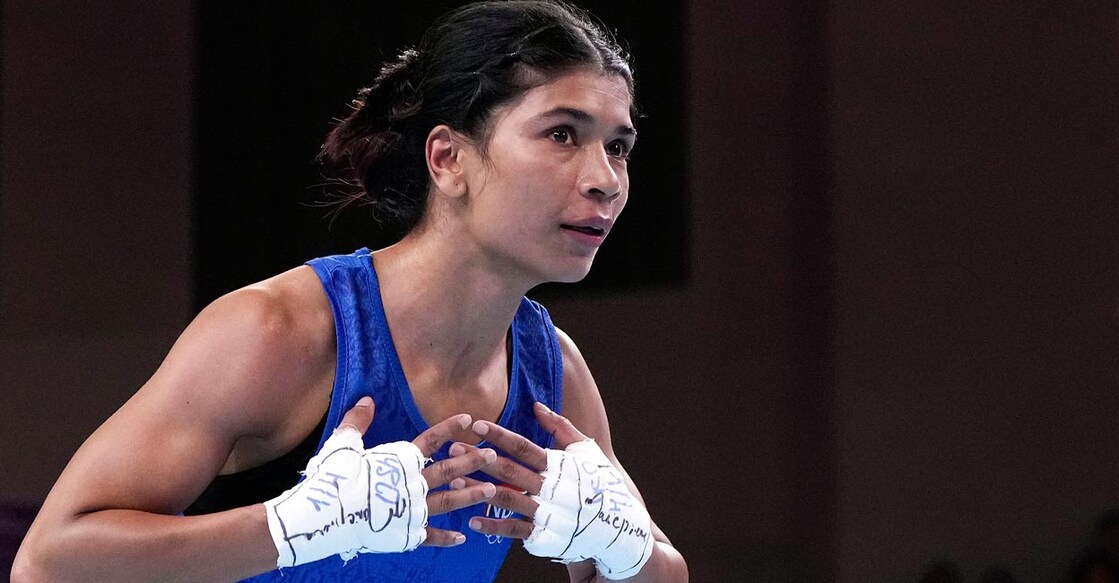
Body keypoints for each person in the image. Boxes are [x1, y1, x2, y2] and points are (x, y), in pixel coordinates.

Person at [11, 1, 688, 582]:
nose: (605, 179)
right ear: (447, 158)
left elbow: (660, 566)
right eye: (562, 134)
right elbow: (48, 560)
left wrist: (625, 550)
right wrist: (291, 526)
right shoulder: (280, 331)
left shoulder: (554, 374)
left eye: (619, 146)